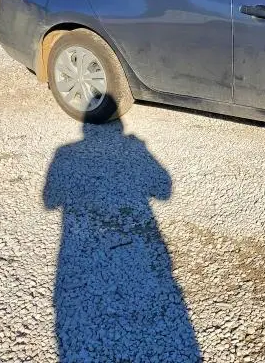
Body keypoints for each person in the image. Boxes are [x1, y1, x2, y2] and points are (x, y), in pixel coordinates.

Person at [44, 115, 200, 362]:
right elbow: (163, 190)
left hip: (81, 256)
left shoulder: (64, 152)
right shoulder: (135, 146)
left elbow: (50, 200)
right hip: (142, 253)